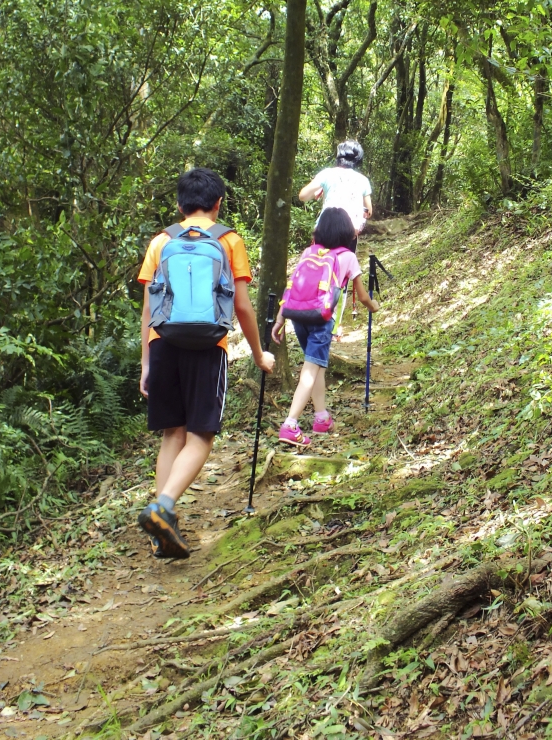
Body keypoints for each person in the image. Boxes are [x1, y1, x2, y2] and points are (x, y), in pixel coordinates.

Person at [136, 168, 275, 558]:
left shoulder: (161, 241)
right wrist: (260, 352)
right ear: (218, 204)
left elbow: (148, 307)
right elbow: (243, 306)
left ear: (179, 205)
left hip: (163, 342)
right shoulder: (229, 240)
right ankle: (162, 508)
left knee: (172, 434)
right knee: (201, 435)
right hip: (208, 344)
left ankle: (162, 529)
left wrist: (146, 362)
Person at [272, 207, 380, 447]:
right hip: (321, 319)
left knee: (317, 366)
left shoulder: (309, 252)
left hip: (298, 316)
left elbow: (291, 287)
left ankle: (321, 418)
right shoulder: (348, 257)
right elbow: (362, 296)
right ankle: (290, 424)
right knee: (310, 370)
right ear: (346, 233)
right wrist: (374, 307)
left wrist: (280, 320)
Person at [298, 140, 372, 250]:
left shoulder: (327, 174)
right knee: (345, 265)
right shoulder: (363, 180)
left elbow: (303, 196)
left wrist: (319, 191)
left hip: (326, 229)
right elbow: (369, 212)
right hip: (349, 232)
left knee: (322, 264)